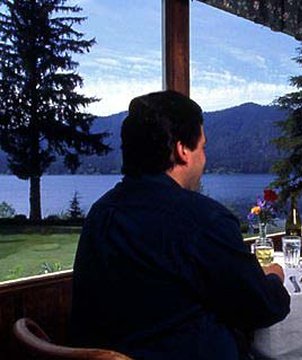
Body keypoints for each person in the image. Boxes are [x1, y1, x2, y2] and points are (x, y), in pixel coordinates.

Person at [70, 90, 290, 359]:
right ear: (182, 150)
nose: (205, 159)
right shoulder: (203, 221)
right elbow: (262, 308)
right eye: (203, 147)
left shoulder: (100, 214)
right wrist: (275, 276)